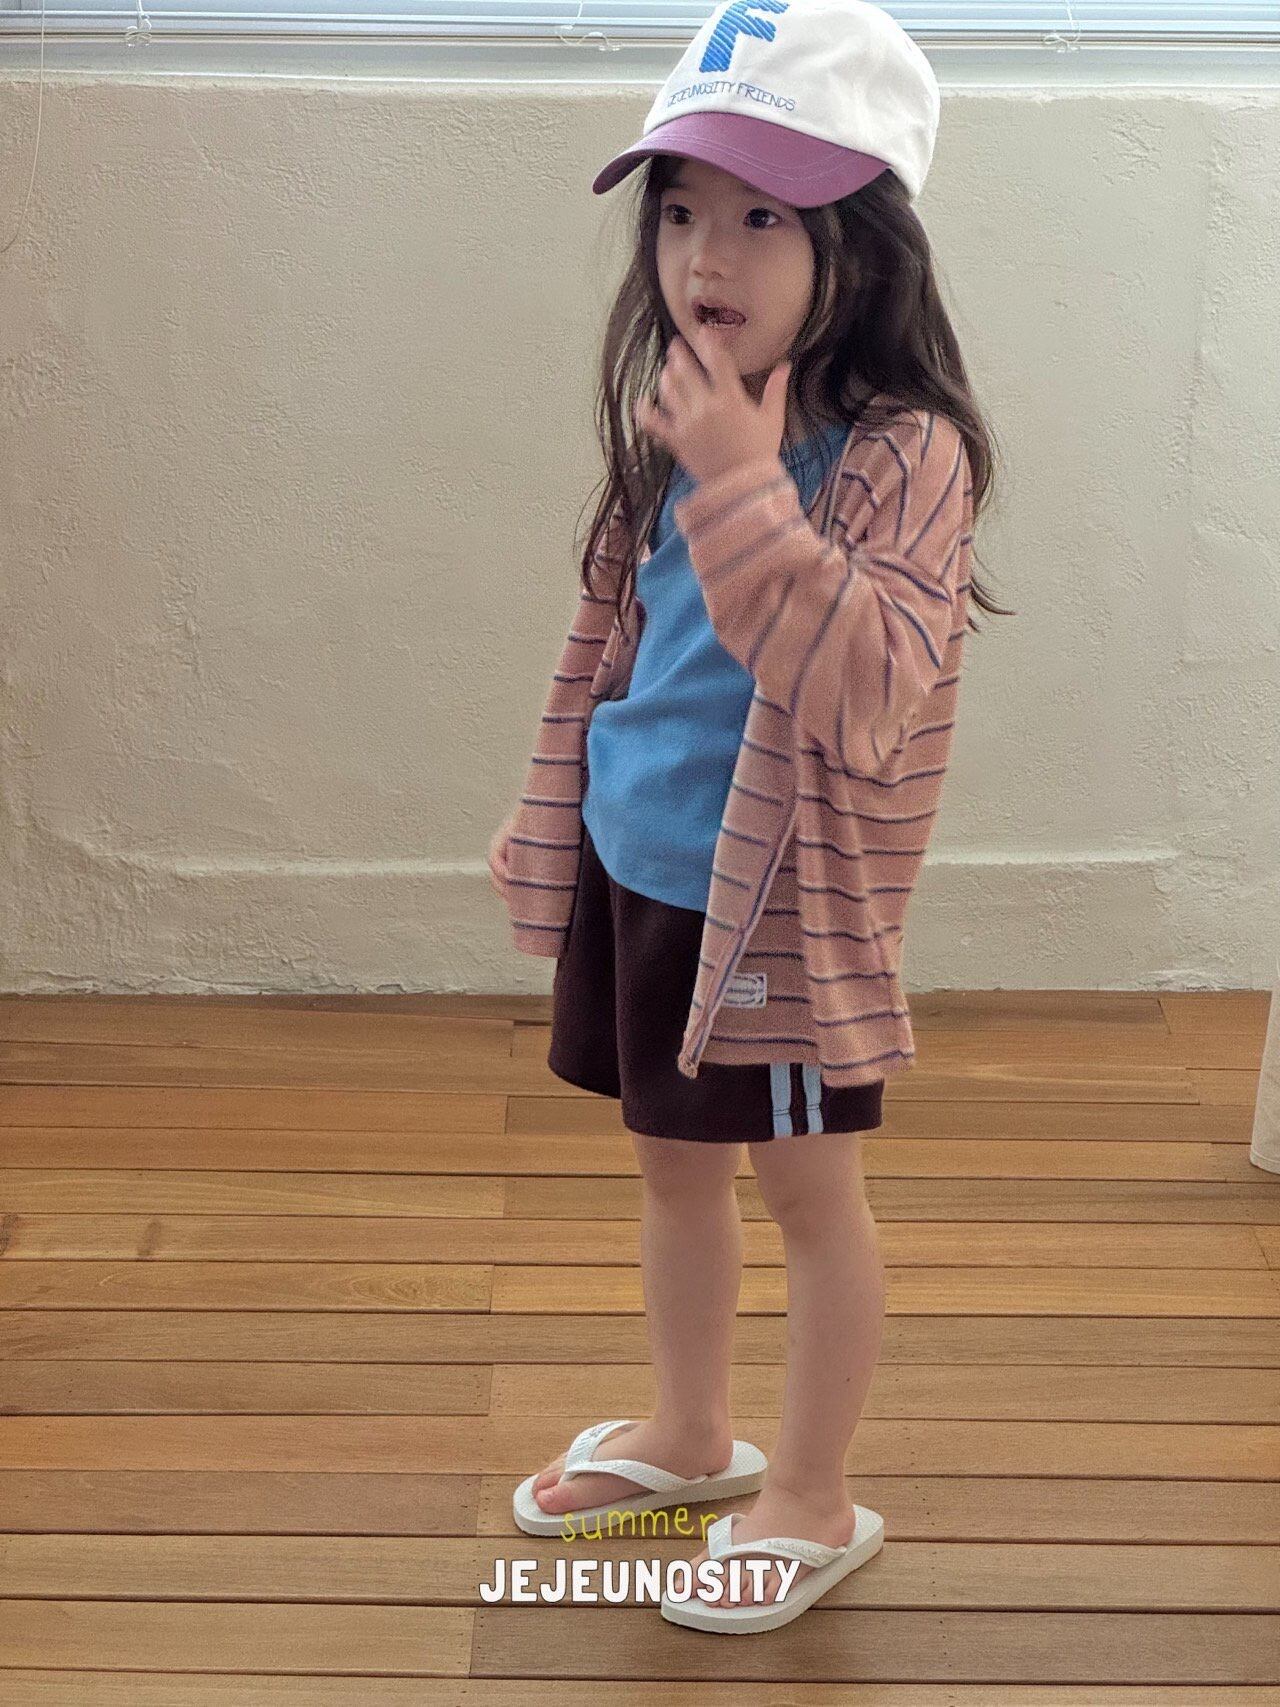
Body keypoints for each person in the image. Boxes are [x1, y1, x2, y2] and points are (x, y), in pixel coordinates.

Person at [489, 0, 1011, 1634]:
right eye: (680, 209)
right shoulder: (690, 403)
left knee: (807, 1195)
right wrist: (548, 817)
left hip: (779, 909)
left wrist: (738, 481)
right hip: (645, 868)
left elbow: (862, 687)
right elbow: (612, 644)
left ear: (866, 234)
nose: (707, 253)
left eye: (764, 215)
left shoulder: (904, 454)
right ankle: (692, 1433)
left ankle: (814, 1491)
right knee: (671, 1169)